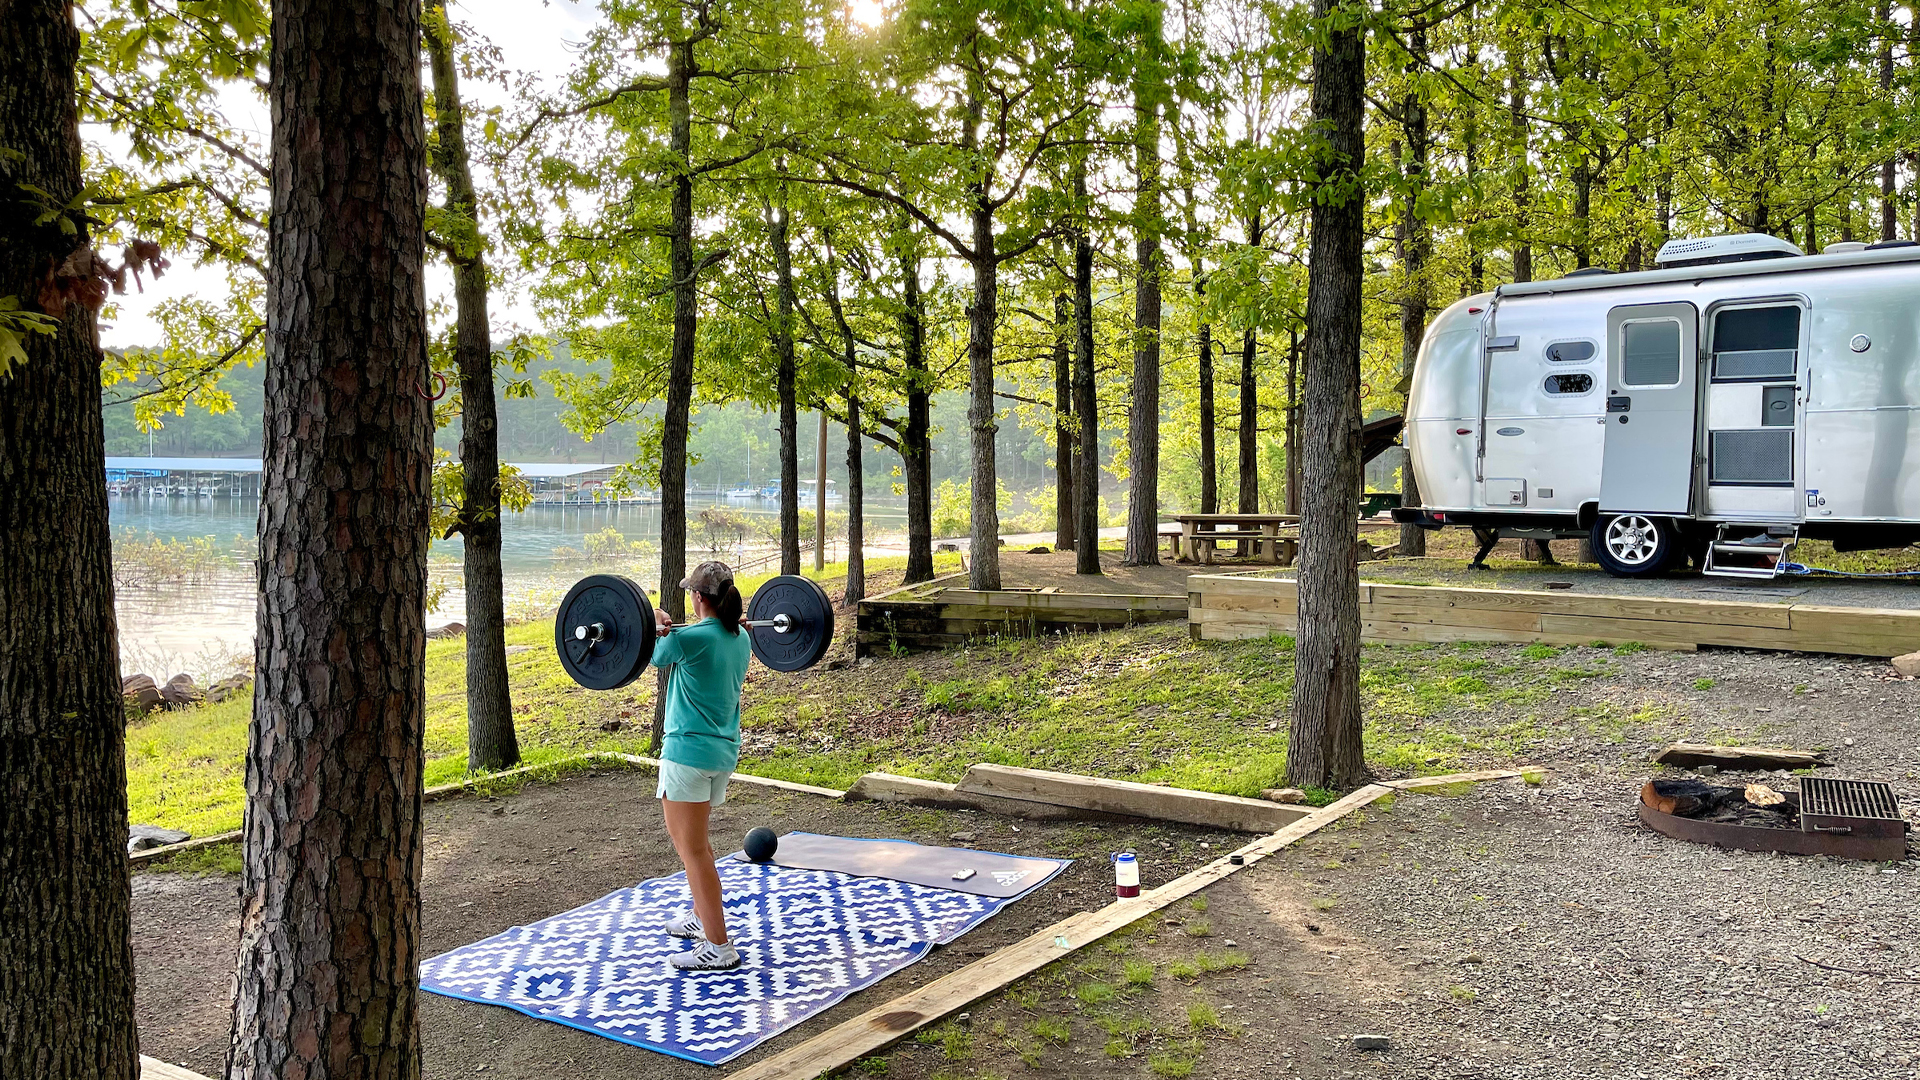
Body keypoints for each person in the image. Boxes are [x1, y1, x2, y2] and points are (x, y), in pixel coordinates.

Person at [650, 560, 753, 971]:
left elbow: (655, 655)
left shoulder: (690, 638)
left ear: (697, 597)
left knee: (693, 851)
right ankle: (700, 916)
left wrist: (654, 620)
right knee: (702, 846)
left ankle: (718, 946)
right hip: (721, 755)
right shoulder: (740, 637)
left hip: (687, 756)